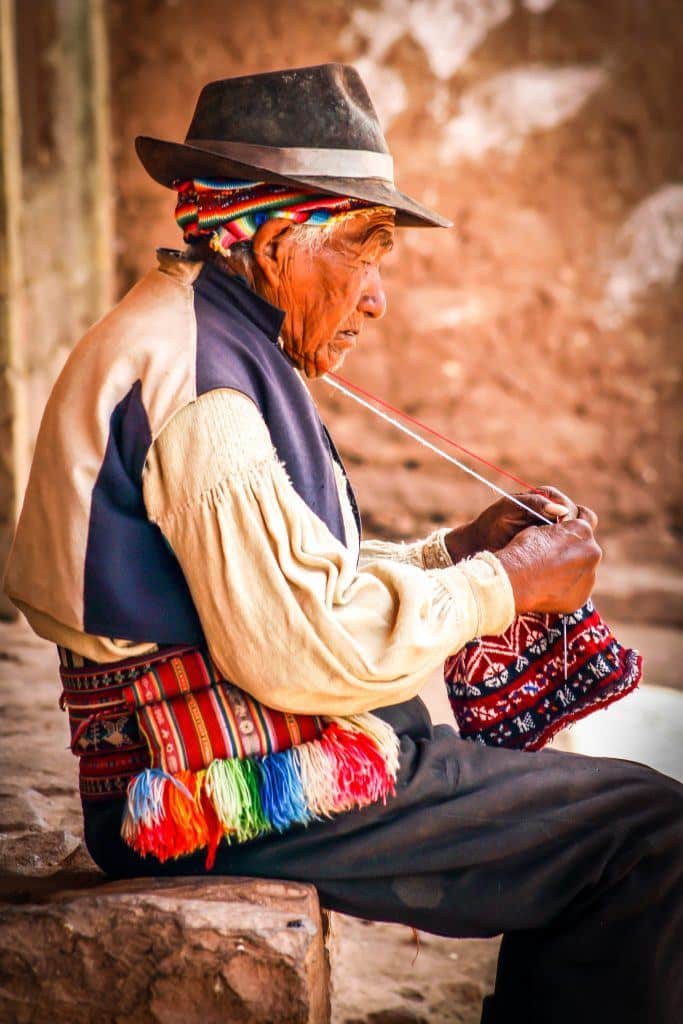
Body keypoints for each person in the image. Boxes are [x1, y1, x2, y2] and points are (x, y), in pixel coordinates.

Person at [4, 64, 682, 1023]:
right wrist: (503, 587)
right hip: (226, 795)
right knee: (648, 832)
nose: (375, 298)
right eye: (363, 251)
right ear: (278, 242)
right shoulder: (208, 391)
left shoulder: (203, 333)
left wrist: (457, 553)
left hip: (256, 759)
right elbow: (297, 651)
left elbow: (284, 579)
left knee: (609, 822)